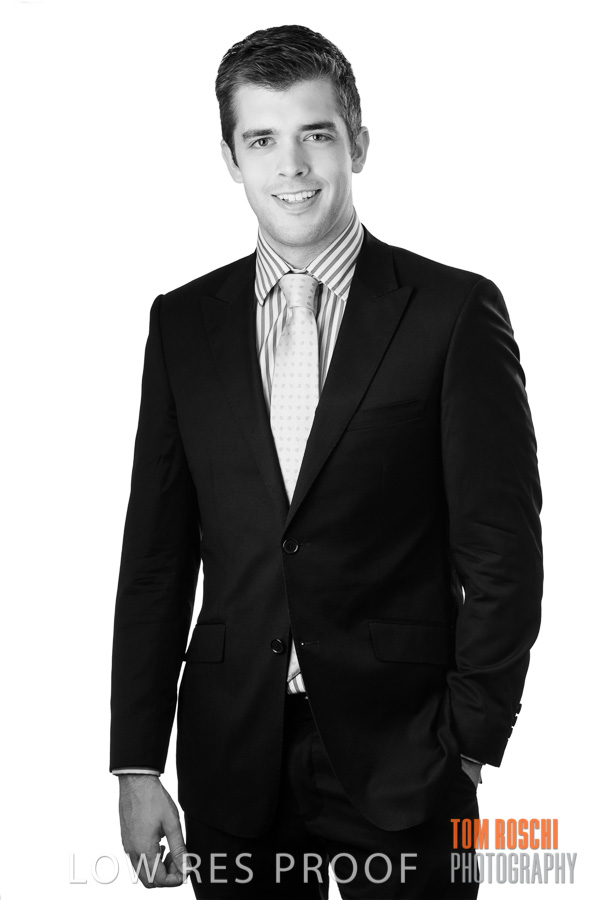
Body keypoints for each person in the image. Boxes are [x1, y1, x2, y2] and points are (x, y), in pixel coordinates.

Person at [110, 24, 543, 899]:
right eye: (261, 140)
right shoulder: (182, 323)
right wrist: (136, 763)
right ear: (230, 159)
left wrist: (468, 739)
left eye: (316, 134)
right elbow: (156, 558)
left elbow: (501, 549)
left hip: (407, 754)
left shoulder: (452, 312)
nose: (292, 167)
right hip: (232, 754)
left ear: (358, 143)